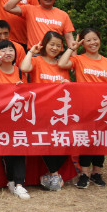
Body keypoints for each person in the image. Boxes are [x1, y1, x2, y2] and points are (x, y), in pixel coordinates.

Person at [59, 28, 107, 188]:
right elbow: (62, 63)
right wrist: (72, 48)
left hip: (104, 109)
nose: (93, 43)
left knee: (101, 140)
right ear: (83, 43)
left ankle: (96, 173)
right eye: (88, 40)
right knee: (87, 140)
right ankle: (84, 174)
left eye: (95, 39)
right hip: (84, 108)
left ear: (99, 40)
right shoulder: (78, 59)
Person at [20, 31, 72, 191]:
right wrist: (31, 52)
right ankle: (55, 175)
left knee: (66, 141)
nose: (55, 48)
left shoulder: (62, 64)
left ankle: (51, 175)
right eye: (51, 44)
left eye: (58, 45)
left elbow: (69, 88)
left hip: (61, 112)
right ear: (45, 45)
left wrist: (67, 83)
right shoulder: (37, 60)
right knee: (45, 142)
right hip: (41, 111)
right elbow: (24, 68)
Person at [0, 40, 30, 200]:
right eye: (3, 50)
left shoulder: (20, 71)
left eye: (11, 50)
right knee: (7, 151)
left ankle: (19, 184)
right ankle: (11, 180)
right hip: (0, 118)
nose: (8, 53)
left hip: (18, 118)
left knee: (19, 149)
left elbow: (28, 94)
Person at [3, 0, 75, 48]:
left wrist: (74, 55)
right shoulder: (30, 10)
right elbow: (7, 7)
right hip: (35, 53)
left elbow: (69, 38)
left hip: (56, 53)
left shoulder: (63, 15)